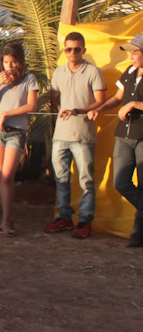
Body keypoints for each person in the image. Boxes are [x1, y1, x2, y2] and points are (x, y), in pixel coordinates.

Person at [45, 32, 106, 239]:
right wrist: (62, 110)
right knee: (61, 179)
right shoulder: (58, 72)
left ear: (83, 50)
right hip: (60, 134)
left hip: (83, 135)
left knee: (86, 180)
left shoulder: (93, 71)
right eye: (68, 49)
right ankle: (64, 217)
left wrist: (78, 111)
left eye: (76, 49)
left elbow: (100, 101)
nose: (72, 53)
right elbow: (54, 99)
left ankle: (85, 220)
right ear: (64, 50)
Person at [88, 34, 143, 245]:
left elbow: (128, 103)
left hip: (142, 137)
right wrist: (99, 108)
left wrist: (134, 105)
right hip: (123, 136)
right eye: (130, 52)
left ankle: (137, 236)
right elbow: (118, 98)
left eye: (135, 52)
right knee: (121, 183)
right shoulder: (129, 72)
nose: (131, 56)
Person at [0, 43, 39, 237]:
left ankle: (7, 220)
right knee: (2, 177)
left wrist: (7, 114)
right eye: (6, 62)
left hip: (16, 131)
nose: (9, 66)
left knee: (7, 176)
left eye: (13, 62)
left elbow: (31, 105)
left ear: (20, 62)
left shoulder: (29, 79)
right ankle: (6, 220)